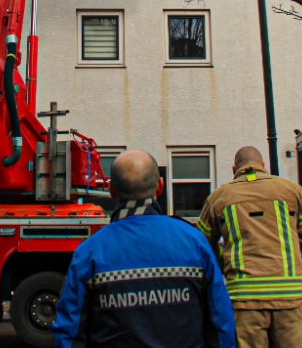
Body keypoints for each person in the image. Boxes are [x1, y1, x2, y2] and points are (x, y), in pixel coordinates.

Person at [53, 149, 236, 348]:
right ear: (160, 186)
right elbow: (221, 324)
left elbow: (69, 334)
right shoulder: (195, 243)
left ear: (111, 190)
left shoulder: (89, 252)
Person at [198, 146, 302, 348]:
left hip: (244, 297)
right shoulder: (292, 190)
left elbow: (203, 245)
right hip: (289, 295)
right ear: (263, 166)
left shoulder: (219, 198)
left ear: (233, 169)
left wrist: (223, 262)